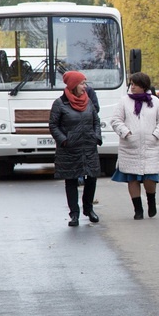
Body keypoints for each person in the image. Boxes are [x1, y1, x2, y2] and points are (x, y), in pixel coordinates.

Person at [110, 71, 159, 219]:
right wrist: (126, 133)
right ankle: (138, 209)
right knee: (132, 178)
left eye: (135, 84)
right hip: (130, 147)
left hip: (150, 146)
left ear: (144, 86)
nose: (132, 86)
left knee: (150, 177)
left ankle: (151, 201)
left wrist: (156, 134)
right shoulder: (124, 101)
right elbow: (116, 120)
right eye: (131, 84)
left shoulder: (154, 101)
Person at [49, 71, 102, 226]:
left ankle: (88, 209)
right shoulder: (60, 104)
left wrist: (96, 137)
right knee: (71, 180)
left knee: (91, 178)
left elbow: (96, 121)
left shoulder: (88, 102)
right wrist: (64, 140)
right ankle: (74, 213)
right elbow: (53, 125)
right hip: (70, 149)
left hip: (89, 147)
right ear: (73, 85)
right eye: (82, 83)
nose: (85, 87)